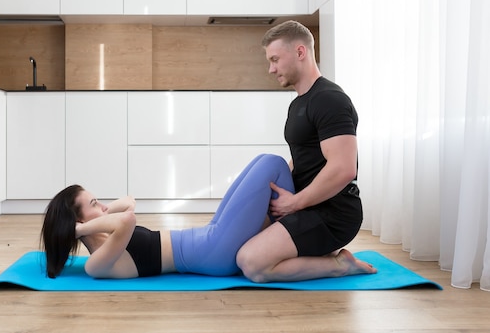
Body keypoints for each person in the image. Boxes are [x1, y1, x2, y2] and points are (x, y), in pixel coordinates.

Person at [236, 20, 377, 283]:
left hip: (332, 213)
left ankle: (340, 265)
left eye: (275, 59)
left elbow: (344, 168)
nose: (271, 69)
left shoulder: (330, 99)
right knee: (235, 243)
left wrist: (294, 203)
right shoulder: (300, 102)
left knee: (251, 262)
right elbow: (303, 158)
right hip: (306, 206)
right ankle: (319, 254)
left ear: (300, 52)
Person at [41, 154, 294, 279]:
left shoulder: (109, 235)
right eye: (95, 204)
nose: (104, 207)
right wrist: (76, 231)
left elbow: (129, 202)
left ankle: (293, 231)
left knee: (263, 161)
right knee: (272, 164)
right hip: (214, 251)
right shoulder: (96, 264)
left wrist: (95, 214)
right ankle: (299, 234)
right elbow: (127, 218)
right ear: (80, 223)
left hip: (210, 235)